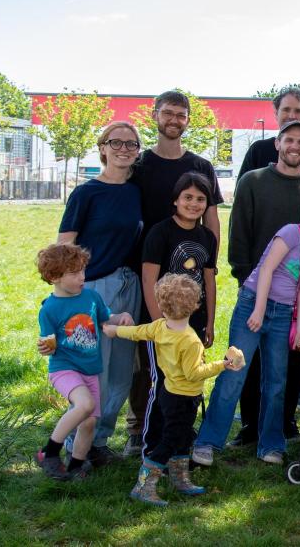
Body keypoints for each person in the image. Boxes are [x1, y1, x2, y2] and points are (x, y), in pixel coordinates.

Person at [193, 194, 300, 467]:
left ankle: (271, 444)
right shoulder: (290, 233)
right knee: (234, 371)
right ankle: (207, 442)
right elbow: (268, 269)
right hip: (253, 302)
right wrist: (258, 310)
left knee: (276, 381)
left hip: (283, 315)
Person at [126, 91, 224, 457]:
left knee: (187, 355)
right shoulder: (141, 165)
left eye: (180, 115)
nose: (174, 119)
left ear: (187, 120)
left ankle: (183, 426)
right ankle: (139, 427)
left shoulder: (201, 166)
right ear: (155, 116)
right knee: (147, 356)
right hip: (149, 270)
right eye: (167, 113)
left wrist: (208, 259)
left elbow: (212, 218)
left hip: (190, 276)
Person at [227, 119, 300, 449]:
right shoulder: (253, 181)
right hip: (257, 286)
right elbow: (238, 231)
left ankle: (283, 422)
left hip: (294, 295)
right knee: (250, 360)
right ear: (278, 144)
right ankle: (250, 424)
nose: (295, 146)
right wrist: (243, 275)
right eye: (289, 140)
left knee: (287, 363)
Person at [107, 274, 243, 506]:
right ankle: (144, 486)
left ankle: (180, 479)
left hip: (167, 392)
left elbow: (137, 332)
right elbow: (194, 373)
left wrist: (114, 331)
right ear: (195, 306)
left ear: (160, 304)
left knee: (181, 436)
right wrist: (223, 365)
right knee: (171, 440)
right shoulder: (190, 340)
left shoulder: (160, 327)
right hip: (184, 397)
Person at [55, 121, 144, 464]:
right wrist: (71, 292)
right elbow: (65, 245)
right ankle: (75, 444)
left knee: (122, 372)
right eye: (116, 142)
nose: (124, 149)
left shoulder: (136, 191)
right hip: (93, 286)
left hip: (129, 285)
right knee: (96, 372)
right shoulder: (86, 193)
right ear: (103, 147)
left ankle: (99, 441)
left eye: (131, 144)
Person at [34, 243, 133, 480]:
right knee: (85, 405)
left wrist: (122, 317)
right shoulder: (49, 309)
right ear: (55, 276)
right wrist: (45, 347)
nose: (82, 277)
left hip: (90, 370)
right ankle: (49, 452)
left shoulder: (91, 297)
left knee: (89, 423)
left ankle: (76, 466)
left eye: (82, 271)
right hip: (64, 370)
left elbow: (106, 319)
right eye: (74, 273)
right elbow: (48, 342)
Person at [140, 172, 217, 346]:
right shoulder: (160, 233)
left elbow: (209, 281)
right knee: (165, 373)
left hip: (195, 318)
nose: (194, 204)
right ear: (176, 200)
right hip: (165, 318)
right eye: (188, 197)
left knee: (192, 371)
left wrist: (209, 323)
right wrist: (160, 326)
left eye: (200, 199)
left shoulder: (208, 237)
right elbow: (148, 280)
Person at [238, 87, 300, 182]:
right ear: (276, 114)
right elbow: (242, 195)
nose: (292, 116)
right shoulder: (258, 150)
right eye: (286, 110)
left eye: (298, 111)